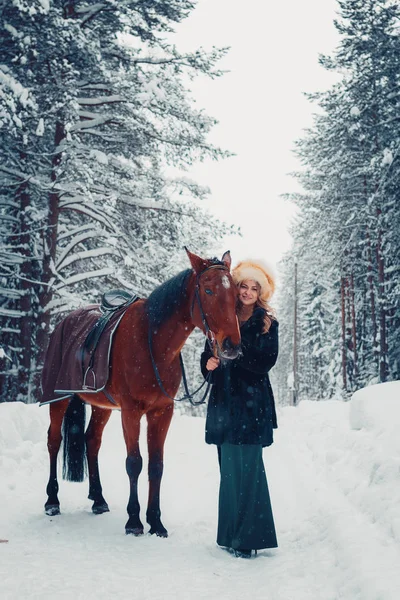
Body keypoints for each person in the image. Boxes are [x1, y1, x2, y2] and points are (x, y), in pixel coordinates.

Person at [200, 259, 279, 559]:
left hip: (251, 406)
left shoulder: (267, 323)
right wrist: (207, 365)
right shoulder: (223, 318)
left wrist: (232, 355)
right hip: (224, 404)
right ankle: (230, 534)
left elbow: (265, 361)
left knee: (248, 471)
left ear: (260, 292)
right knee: (230, 472)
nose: (246, 292)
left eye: (253, 288)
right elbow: (208, 356)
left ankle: (248, 539)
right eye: (243, 286)